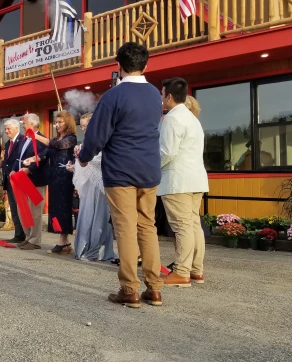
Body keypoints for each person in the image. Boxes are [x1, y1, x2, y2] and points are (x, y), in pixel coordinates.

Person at [78, 42, 164, 308]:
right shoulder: (154, 95)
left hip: (120, 169)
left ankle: (129, 288)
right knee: (147, 225)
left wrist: (84, 157)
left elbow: (97, 134)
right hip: (149, 168)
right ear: (146, 65)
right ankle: (155, 287)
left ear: (118, 65)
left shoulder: (113, 96)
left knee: (126, 228)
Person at [158, 77, 209, 287]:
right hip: (196, 179)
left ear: (169, 96)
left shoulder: (171, 118)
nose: (161, 99)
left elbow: (166, 151)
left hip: (177, 180)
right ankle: (196, 269)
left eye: (162, 95)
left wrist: (151, 167)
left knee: (182, 227)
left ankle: (181, 271)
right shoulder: (192, 118)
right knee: (193, 225)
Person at [69, 113, 118, 262]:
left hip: (100, 183)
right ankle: (84, 247)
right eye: (82, 126)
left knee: (100, 215)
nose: (83, 129)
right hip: (89, 185)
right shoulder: (86, 141)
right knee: (87, 213)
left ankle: (98, 250)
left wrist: (84, 158)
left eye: (86, 126)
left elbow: (101, 159)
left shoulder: (104, 138)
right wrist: (76, 164)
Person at [33, 110, 77, 254]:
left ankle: (62, 242)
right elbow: (45, 153)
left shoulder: (71, 138)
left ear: (67, 123)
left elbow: (57, 146)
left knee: (63, 208)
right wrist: (33, 159)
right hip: (54, 178)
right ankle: (64, 242)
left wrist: (37, 136)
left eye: (60, 122)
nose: (56, 125)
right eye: (56, 122)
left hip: (65, 177)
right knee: (56, 209)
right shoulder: (56, 139)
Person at [16, 113, 48, 250]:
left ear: (32, 124)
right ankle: (28, 237)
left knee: (35, 211)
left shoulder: (42, 139)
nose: (23, 126)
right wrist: (13, 170)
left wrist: (29, 169)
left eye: (24, 123)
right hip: (21, 179)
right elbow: (18, 157)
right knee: (23, 210)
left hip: (36, 180)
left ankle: (35, 240)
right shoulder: (24, 139)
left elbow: (43, 158)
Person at [2, 118, 26, 244]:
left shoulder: (22, 140)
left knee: (21, 207)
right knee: (13, 207)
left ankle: (24, 233)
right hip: (8, 179)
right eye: (5, 129)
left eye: (8, 128)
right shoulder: (7, 143)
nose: (6, 131)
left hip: (18, 178)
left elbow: (20, 159)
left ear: (17, 128)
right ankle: (18, 233)